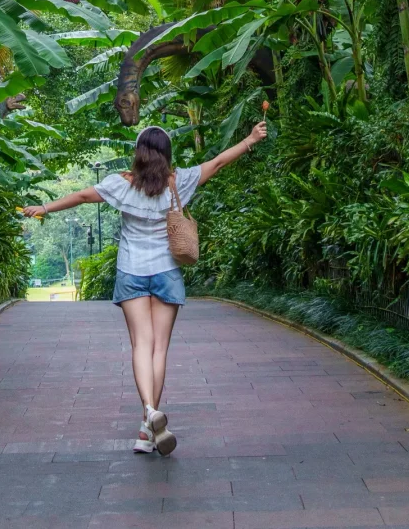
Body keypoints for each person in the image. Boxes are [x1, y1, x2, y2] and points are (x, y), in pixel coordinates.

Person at [22, 119, 268, 455]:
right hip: (167, 272)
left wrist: (45, 207)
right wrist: (251, 138)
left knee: (141, 345)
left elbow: (81, 195)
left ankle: (149, 416)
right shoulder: (179, 182)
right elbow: (220, 161)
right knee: (159, 350)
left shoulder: (121, 185)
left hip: (131, 272)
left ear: (138, 154)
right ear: (167, 154)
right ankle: (147, 425)